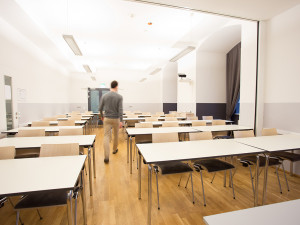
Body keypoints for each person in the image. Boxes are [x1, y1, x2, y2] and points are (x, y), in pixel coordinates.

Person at [99, 80, 123, 163]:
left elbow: (100, 108)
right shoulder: (119, 97)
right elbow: (120, 110)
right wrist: (121, 121)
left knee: (106, 136)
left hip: (107, 119)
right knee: (115, 135)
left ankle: (106, 157)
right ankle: (114, 149)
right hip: (116, 119)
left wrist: (102, 116)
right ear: (116, 86)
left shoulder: (104, 96)